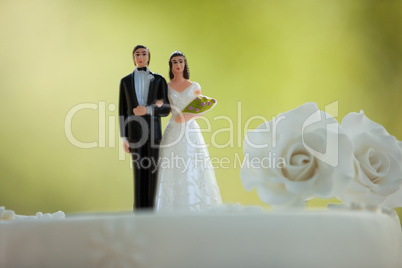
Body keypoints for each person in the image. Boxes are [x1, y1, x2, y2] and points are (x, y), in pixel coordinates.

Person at [154, 51, 222, 211]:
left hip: (190, 129)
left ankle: (195, 204)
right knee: (171, 164)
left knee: (192, 163)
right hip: (173, 129)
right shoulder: (166, 86)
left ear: (184, 64)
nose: (178, 65)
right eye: (175, 62)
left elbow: (202, 108)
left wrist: (187, 116)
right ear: (171, 66)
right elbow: (164, 106)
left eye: (180, 62)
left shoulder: (194, 86)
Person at [119, 45, 170, 210]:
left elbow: (166, 108)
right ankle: (139, 211)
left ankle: (153, 209)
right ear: (133, 58)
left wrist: (149, 109)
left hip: (154, 134)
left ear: (148, 57)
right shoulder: (125, 82)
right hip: (135, 133)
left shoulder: (159, 80)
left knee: (154, 171)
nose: (140, 57)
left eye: (143, 54)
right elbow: (122, 111)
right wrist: (123, 137)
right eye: (137, 54)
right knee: (139, 172)